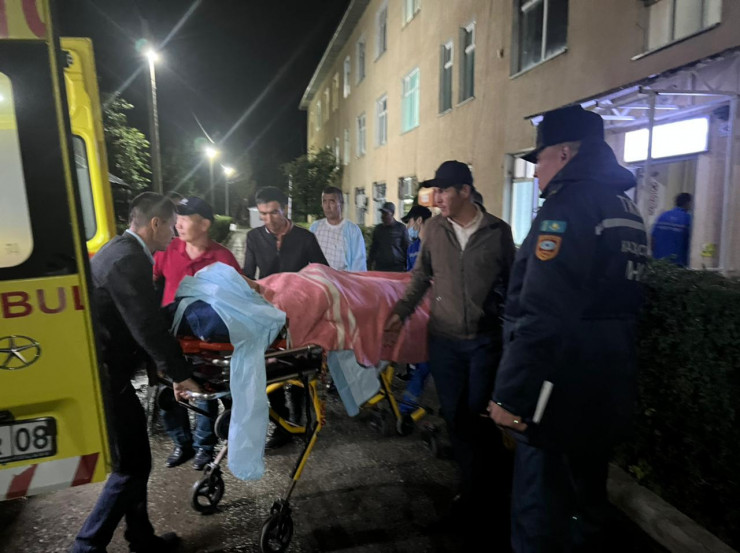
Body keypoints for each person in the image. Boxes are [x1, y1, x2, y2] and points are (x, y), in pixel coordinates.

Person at [488, 105, 647, 552]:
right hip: (605, 389)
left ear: (563, 153)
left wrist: (510, 396)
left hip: (556, 393)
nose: (536, 170)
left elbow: (543, 312)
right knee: (586, 505)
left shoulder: (568, 208)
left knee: (540, 513)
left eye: (538, 158)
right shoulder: (624, 206)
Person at [384, 160, 516, 549]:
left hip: (484, 341)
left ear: (464, 191)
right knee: (456, 417)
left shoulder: (497, 232)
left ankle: (489, 492)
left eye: (443, 191)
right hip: (444, 342)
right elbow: (420, 277)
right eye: (435, 191)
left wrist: (512, 333)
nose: (436, 198)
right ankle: (471, 492)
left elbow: (514, 286)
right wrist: (400, 313)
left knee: (479, 415)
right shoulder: (435, 230)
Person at [73, 192, 200, 553]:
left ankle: (141, 538)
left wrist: (164, 372)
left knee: (135, 461)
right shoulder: (128, 260)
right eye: (171, 226)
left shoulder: (119, 251)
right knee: (131, 467)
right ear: (155, 224)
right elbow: (146, 326)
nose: (174, 234)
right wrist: (180, 374)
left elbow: (138, 324)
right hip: (105, 377)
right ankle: (86, 546)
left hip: (108, 372)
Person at [153, 196, 242, 471]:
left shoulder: (223, 258)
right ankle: (182, 444)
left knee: (203, 391)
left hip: (206, 343)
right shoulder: (167, 250)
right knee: (168, 394)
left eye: (184, 218)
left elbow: (238, 299)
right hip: (171, 340)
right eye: (177, 218)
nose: (178, 224)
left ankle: (204, 447)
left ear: (204, 224)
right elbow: (152, 281)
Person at [243, 186, 328, 448]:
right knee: (271, 368)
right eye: (263, 214)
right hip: (268, 313)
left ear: (286, 208)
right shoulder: (254, 237)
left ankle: (301, 418)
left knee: (300, 368)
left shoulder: (305, 238)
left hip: (301, 314)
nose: (268, 219)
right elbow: (248, 274)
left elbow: (323, 272)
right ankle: (282, 425)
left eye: (274, 212)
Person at [398, 204, 432, 415]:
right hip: (416, 308)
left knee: (428, 358)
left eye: (409, 222)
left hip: (435, 309)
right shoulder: (412, 248)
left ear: (419, 221)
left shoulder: (437, 245)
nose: (408, 227)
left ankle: (407, 405)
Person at [309, 185, 367, 271]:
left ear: (341, 204)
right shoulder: (315, 227)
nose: (327, 206)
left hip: (342, 278)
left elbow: (359, 264)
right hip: (317, 277)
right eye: (324, 201)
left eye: (332, 202)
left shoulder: (352, 230)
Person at [651, 192, 692, 266]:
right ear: (687, 203)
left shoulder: (663, 216)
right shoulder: (688, 218)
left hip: (658, 262)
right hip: (677, 263)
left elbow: (652, 239)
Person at [367, 201, 409, 271]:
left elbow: (406, 248)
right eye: (382, 213)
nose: (383, 216)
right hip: (380, 268)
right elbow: (373, 249)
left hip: (397, 268)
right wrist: (369, 264)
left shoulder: (401, 228)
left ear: (392, 214)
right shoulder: (378, 229)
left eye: (386, 213)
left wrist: (407, 267)